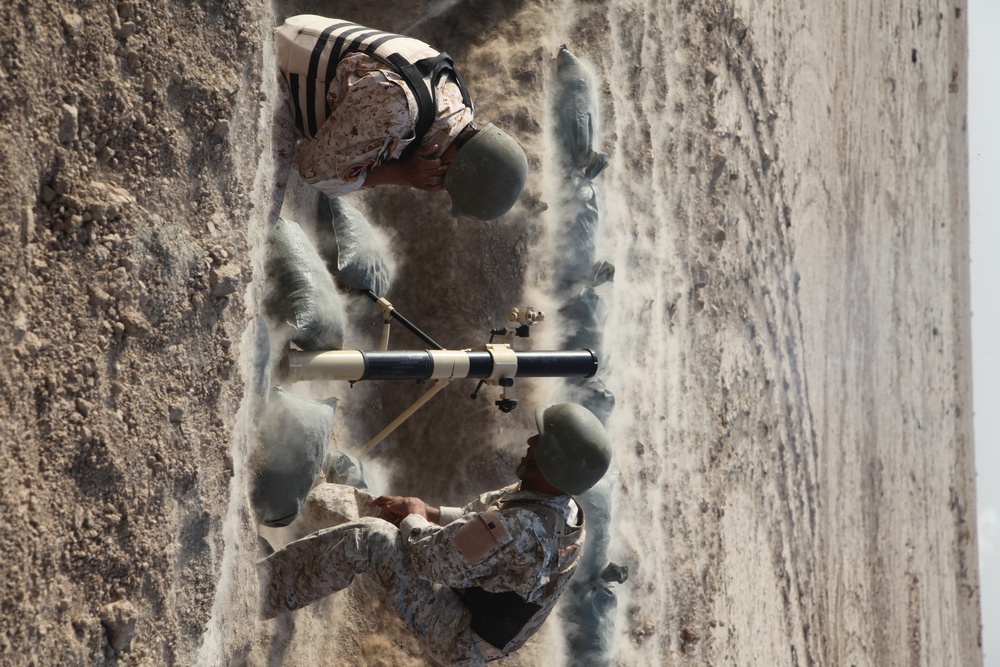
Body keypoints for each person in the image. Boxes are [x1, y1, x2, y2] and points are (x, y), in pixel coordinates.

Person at [258, 403, 612, 665]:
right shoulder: (553, 503)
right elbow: (480, 520)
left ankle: (261, 590)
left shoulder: (526, 530)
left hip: (462, 637)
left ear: (553, 461)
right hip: (470, 597)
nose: (532, 440)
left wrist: (414, 520)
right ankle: (299, 497)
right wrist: (426, 513)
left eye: (542, 441)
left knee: (373, 538)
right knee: (390, 512)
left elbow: (431, 561)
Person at [269, 14, 529, 224]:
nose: (440, 188)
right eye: (448, 185)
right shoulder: (399, 110)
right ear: (451, 164)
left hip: (302, 32)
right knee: (267, 198)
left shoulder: (456, 101)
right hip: (277, 69)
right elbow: (313, 171)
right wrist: (401, 174)